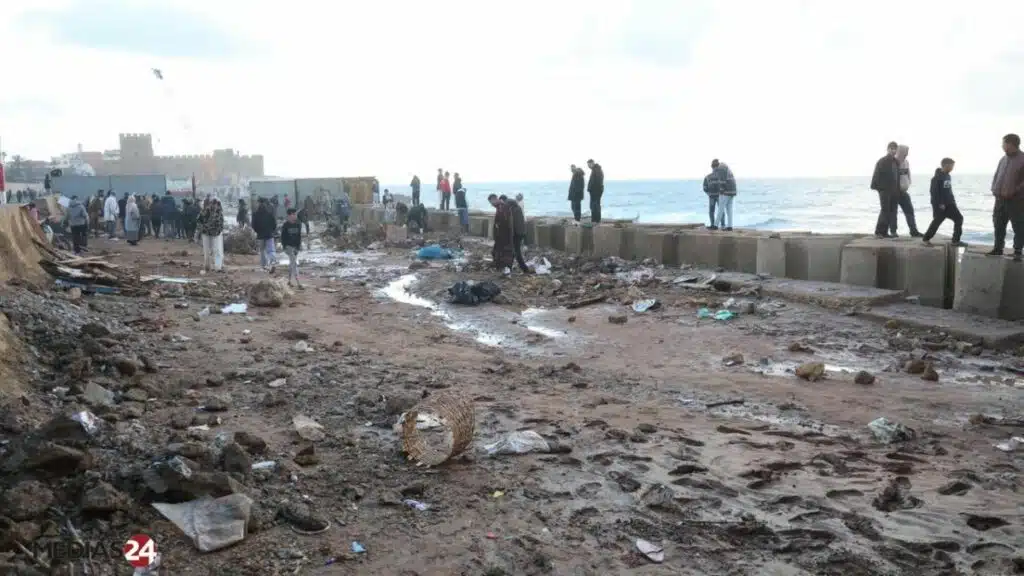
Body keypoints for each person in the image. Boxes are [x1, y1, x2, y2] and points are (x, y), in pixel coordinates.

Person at [988, 133, 1024, 261]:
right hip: (1000, 199)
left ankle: (1018, 251)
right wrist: (994, 188)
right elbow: (997, 175)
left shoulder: (1022, 159)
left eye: (1003, 143)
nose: (1002, 146)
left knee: (1019, 227)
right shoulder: (1003, 159)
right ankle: (998, 249)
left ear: (1010, 144)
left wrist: (1015, 191)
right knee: (998, 224)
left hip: (1016, 201)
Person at [921, 158, 965, 247]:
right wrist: (940, 204)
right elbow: (934, 192)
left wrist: (953, 201)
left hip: (950, 204)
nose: (952, 168)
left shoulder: (948, 176)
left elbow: (949, 191)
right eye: (951, 166)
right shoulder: (936, 178)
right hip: (940, 205)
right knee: (936, 222)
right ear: (945, 165)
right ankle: (925, 239)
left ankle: (955, 240)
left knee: (959, 218)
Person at [871, 142, 901, 239]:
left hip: (894, 190)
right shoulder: (882, 161)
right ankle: (878, 232)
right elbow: (876, 175)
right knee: (885, 210)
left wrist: (898, 189)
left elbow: (897, 176)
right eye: (891, 149)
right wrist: (879, 188)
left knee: (893, 211)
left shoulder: (896, 162)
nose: (893, 151)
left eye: (895, 149)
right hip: (884, 190)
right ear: (887, 149)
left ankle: (885, 232)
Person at [890, 145, 922, 237]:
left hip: (904, 192)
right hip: (894, 192)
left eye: (907, 153)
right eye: (905, 153)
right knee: (893, 212)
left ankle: (913, 231)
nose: (906, 155)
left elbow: (908, 174)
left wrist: (908, 184)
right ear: (900, 152)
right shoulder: (892, 163)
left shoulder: (906, 162)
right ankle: (893, 232)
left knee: (909, 211)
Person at [488, 194, 515, 275]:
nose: (491, 204)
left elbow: (505, 222)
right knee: (498, 251)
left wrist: (498, 226)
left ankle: (505, 268)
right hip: (501, 235)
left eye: (491, 202)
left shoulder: (502, 207)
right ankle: (501, 267)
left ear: (494, 199)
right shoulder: (500, 207)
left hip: (504, 235)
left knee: (505, 252)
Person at [197, 198, 225, 271]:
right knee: (207, 251)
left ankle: (218, 267)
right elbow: (199, 220)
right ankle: (207, 266)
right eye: (214, 203)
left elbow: (221, 224)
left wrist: (219, 231)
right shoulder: (206, 211)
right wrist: (202, 229)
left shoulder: (219, 212)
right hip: (206, 233)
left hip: (215, 233)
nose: (215, 205)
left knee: (217, 251)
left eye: (216, 204)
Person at [506, 195, 530, 273]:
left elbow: (513, 224)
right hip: (520, 233)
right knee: (515, 251)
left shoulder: (513, 211)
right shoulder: (517, 209)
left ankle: (524, 269)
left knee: (516, 252)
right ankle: (509, 267)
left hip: (516, 234)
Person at [281, 208, 304, 288]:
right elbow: (283, 238)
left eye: (295, 214)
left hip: (295, 247)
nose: (295, 216)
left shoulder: (298, 224)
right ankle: (299, 283)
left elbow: (299, 236)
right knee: (294, 263)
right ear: (289, 216)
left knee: (291, 263)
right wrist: (284, 247)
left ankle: (289, 281)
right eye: (293, 214)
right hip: (288, 247)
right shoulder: (285, 225)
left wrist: (298, 247)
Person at [712, 159, 737, 231]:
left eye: (714, 169)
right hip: (732, 191)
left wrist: (721, 192)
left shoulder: (720, 168)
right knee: (729, 209)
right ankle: (730, 226)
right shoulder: (725, 166)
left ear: (715, 166)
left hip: (726, 191)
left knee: (721, 208)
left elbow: (722, 181)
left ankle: (715, 226)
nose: (714, 171)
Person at [703, 163, 722, 229]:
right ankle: (722, 225)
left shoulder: (708, 177)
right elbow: (705, 188)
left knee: (712, 211)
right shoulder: (721, 176)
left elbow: (705, 188)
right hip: (718, 196)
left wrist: (709, 193)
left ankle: (713, 225)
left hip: (715, 196)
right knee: (719, 211)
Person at [586, 159, 604, 224]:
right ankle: (595, 220)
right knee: (594, 206)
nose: (588, 166)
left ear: (592, 163)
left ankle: (595, 220)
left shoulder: (597, 170)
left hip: (596, 191)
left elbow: (598, 182)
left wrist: (593, 189)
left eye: (589, 165)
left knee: (595, 206)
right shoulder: (595, 170)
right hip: (595, 191)